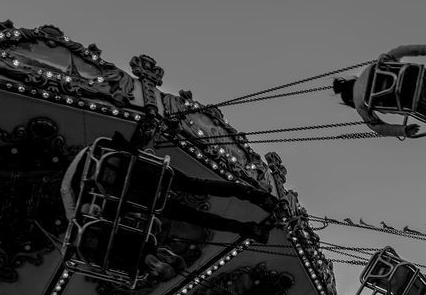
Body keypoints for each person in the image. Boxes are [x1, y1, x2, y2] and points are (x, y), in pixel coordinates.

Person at [62, 111, 283, 277]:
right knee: (199, 194)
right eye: (166, 258)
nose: (163, 256)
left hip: (143, 191)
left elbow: (84, 202)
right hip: (146, 190)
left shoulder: (88, 199)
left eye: (163, 259)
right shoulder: (143, 245)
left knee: (198, 203)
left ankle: (250, 219)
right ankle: (252, 209)